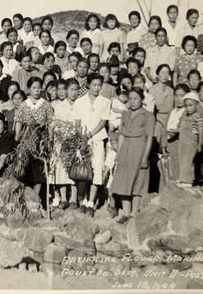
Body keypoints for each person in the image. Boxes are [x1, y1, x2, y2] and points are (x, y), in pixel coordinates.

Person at [110, 87, 155, 223]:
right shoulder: (125, 114)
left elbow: (149, 138)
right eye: (130, 99)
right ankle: (126, 211)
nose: (133, 102)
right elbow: (122, 134)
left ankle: (134, 213)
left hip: (139, 148)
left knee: (138, 180)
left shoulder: (148, 115)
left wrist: (145, 157)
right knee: (123, 180)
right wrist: (118, 153)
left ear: (142, 99)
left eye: (136, 99)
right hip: (125, 149)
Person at [75, 74, 111, 216]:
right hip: (82, 141)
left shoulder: (105, 101)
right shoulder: (79, 101)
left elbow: (103, 122)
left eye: (99, 85)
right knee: (83, 171)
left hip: (97, 139)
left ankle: (91, 202)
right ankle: (82, 201)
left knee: (96, 170)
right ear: (88, 85)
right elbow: (77, 122)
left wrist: (90, 134)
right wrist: (82, 136)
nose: (96, 88)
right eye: (94, 85)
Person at [14, 77, 54, 195]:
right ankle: (26, 195)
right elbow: (19, 122)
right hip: (26, 138)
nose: (37, 90)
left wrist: (50, 140)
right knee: (25, 167)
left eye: (39, 88)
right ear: (29, 89)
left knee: (39, 168)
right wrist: (17, 139)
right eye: (34, 88)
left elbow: (51, 123)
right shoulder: (23, 105)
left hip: (41, 139)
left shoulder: (46, 104)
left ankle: (36, 196)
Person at [50, 78, 80, 209]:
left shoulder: (80, 105)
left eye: (76, 90)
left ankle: (74, 199)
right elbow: (55, 124)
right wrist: (60, 135)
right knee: (61, 169)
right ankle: (63, 198)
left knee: (74, 170)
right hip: (62, 141)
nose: (74, 93)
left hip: (76, 141)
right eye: (71, 90)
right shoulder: (60, 106)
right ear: (66, 91)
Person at [165, 84, 191, 181]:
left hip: (180, 146)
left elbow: (183, 129)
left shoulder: (187, 112)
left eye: (182, 96)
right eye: (176, 95)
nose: (179, 98)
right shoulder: (172, 111)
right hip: (170, 146)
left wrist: (172, 132)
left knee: (180, 173)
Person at [178, 92, 203, 187]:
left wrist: (199, 144)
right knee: (182, 159)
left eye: (191, 105)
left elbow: (200, 130)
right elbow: (180, 128)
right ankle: (182, 179)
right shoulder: (184, 115)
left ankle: (188, 180)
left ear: (196, 105)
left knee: (188, 160)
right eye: (186, 106)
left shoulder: (197, 116)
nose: (188, 108)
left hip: (191, 141)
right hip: (183, 141)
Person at [150, 64, 174, 148]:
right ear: (157, 74)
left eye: (167, 73)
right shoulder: (152, 90)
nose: (165, 75)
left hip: (168, 121)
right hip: (157, 121)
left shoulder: (171, 91)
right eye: (162, 72)